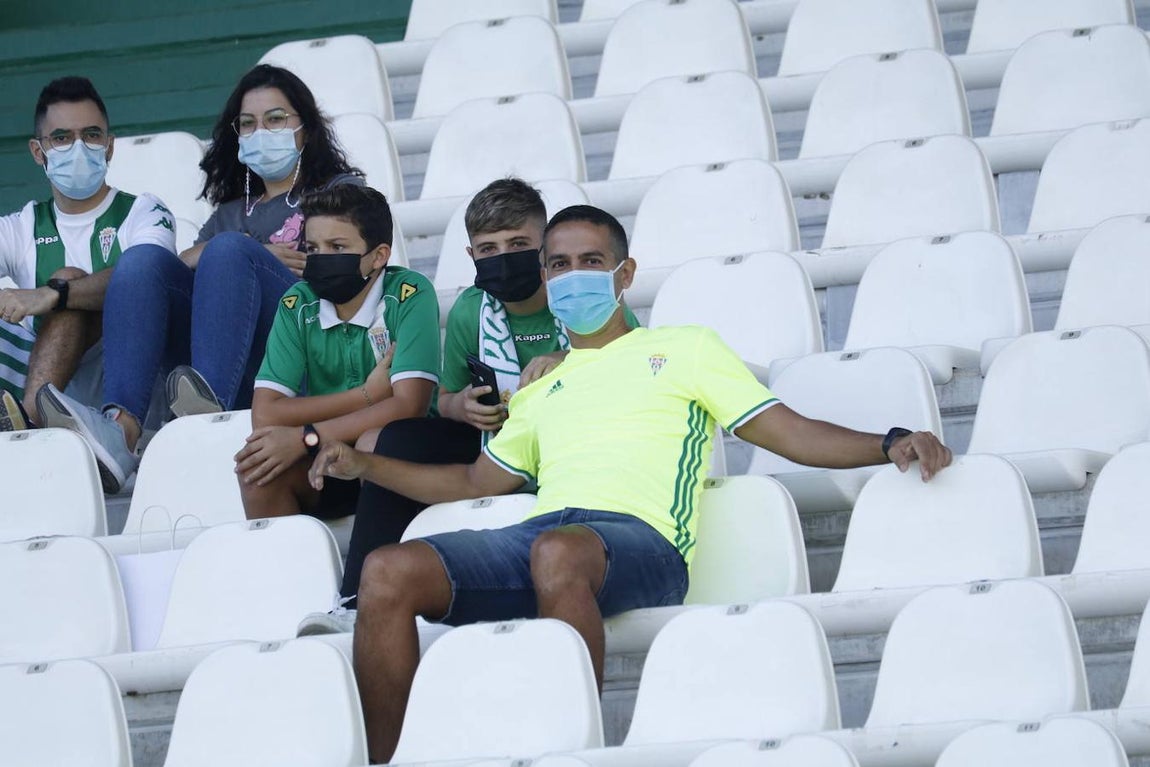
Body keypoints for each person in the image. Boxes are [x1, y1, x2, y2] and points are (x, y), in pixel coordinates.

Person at [306, 204, 953, 762]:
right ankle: (388, 759)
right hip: (543, 537)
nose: (571, 275)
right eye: (558, 264)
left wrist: (887, 440)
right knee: (387, 571)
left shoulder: (686, 347)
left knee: (558, 550)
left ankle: (573, 752)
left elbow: (788, 432)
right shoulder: (542, 383)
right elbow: (477, 478)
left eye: (591, 260)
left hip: (644, 542)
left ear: (625, 273)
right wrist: (366, 467)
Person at [34, 64, 363, 494]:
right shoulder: (231, 212)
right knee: (142, 262)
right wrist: (251, 251)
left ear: (305, 128)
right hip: (245, 371)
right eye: (248, 123)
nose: (261, 131)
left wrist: (242, 253)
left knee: (228, 250)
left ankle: (209, 409)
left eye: (276, 119)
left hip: (310, 358)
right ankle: (123, 428)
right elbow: (186, 259)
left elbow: (360, 276)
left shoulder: (341, 191)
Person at [330, 178, 638, 611]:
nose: (504, 258)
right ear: (472, 256)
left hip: (572, 440)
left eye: (518, 244)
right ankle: (355, 599)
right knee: (396, 440)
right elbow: (446, 395)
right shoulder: (471, 310)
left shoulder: (584, 295)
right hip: (492, 440)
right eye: (489, 249)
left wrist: (570, 360)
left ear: (544, 248)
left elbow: (634, 366)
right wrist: (462, 406)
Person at [234, 184, 440, 521]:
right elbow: (266, 415)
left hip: (402, 452)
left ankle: (374, 567)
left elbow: (409, 406)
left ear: (379, 256)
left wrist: (306, 437)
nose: (322, 259)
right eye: (313, 248)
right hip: (326, 457)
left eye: (337, 247)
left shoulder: (410, 294)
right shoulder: (298, 302)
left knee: (375, 440)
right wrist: (367, 394)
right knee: (256, 468)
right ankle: (288, 573)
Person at [0, 77, 175, 452]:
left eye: (92, 135)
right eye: (61, 138)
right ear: (37, 151)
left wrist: (53, 294)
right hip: (60, 389)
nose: (78, 147)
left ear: (109, 147)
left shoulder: (144, 212)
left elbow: (149, 278)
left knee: (67, 283)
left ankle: (29, 428)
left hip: (135, 401)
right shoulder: (20, 228)